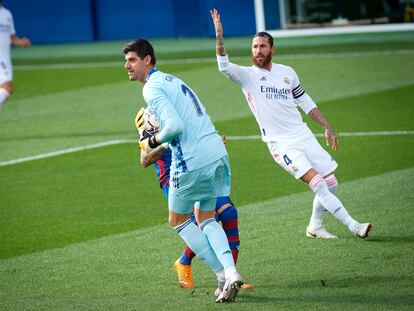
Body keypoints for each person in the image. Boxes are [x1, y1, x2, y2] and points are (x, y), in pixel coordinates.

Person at [210, 9, 372, 239]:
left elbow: (305, 101)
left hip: (303, 135)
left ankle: (315, 226)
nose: (258, 50)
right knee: (317, 183)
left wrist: (327, 126)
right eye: (255, 46)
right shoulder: (247, 76)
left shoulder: (287, 73)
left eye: (262, 46)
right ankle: (354, 225)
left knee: (331, 182)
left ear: (272, 49)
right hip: (281, 143)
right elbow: (223, 66)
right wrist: (219, 35)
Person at [123, 38, 243, 303]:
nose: (126, 66)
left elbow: (175, 127)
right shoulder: (173, 81)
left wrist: (152, 140)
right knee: (207, 216)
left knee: (178, 219)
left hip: (192, 160)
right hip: (217, 152)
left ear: (147, 60)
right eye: (125, 61)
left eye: (131, 60)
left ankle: (221, 273)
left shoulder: (151, 89)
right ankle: (231, 272)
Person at [135, 111, 253, 291]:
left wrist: (214, 147)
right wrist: (165, 143)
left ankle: (231, 276)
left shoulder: (181, 110)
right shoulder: (149, 118)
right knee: (200, 221)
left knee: (228, 213)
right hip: (175, 178)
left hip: (199, 168)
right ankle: (184, 262)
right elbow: (144, 160)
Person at [0, 1, 31, 110]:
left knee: (6, 90)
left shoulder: (7, 14)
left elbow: (11, 38)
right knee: (7, 87)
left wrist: (21, 42)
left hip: (4, 58)